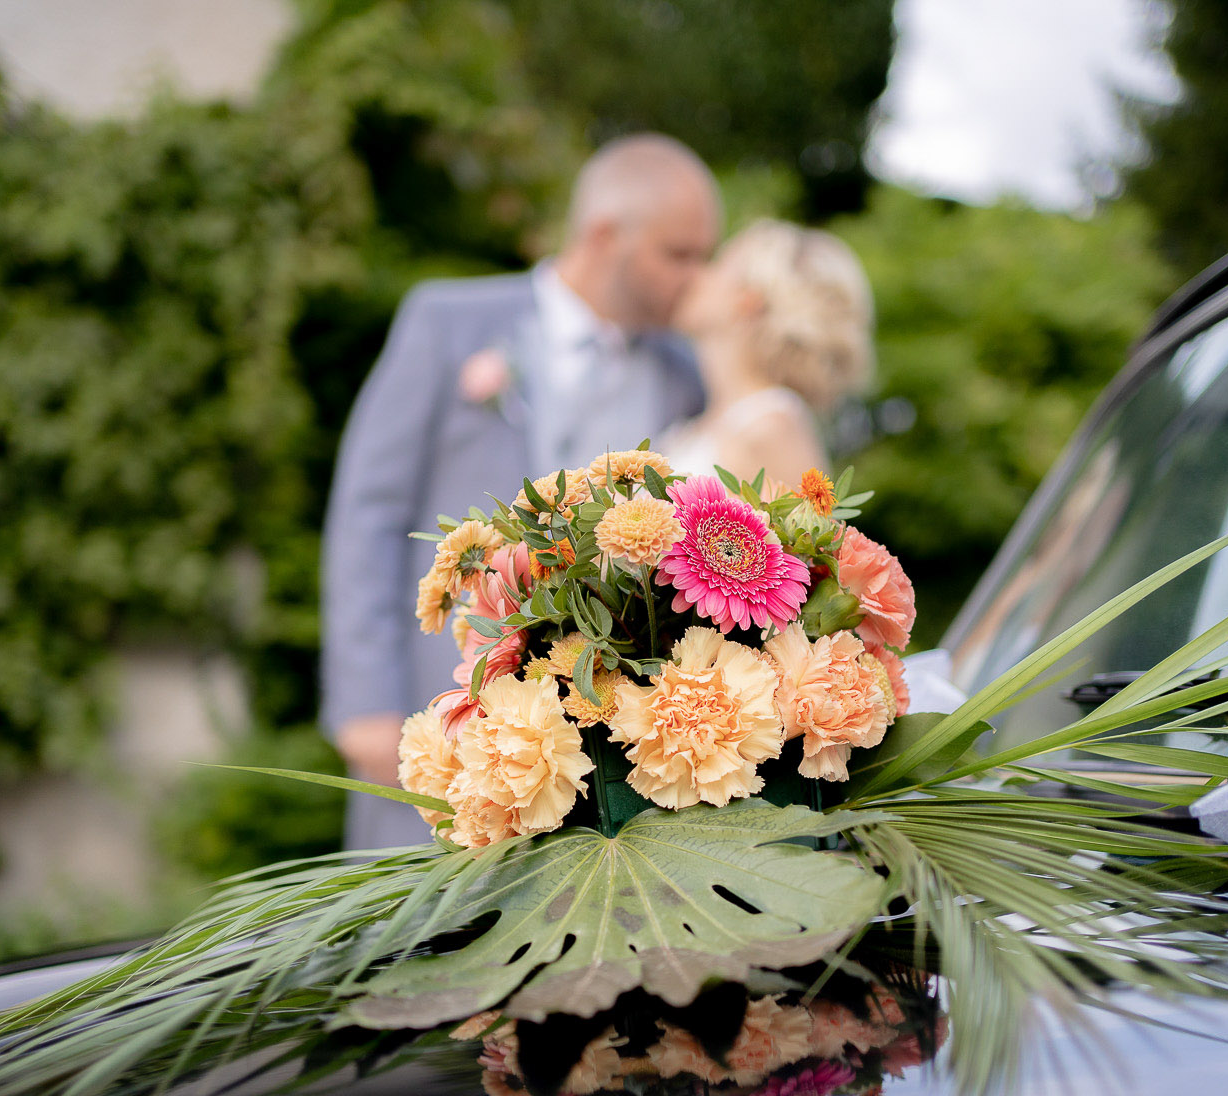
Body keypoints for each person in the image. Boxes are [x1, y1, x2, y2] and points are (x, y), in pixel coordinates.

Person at [321, 134, 721, 850]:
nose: (697, 278)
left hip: (594, 749)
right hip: (436, 709)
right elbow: (368, 512)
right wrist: (366, 702)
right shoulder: (447, 323)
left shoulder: (683, 370)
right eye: (679, 254)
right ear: (605, 235)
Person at [658, 218, 875, 487]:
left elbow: (806, 529)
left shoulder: (773, 429)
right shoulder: (709, 420)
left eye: (716, 265)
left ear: (747, 301)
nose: (697, 276)